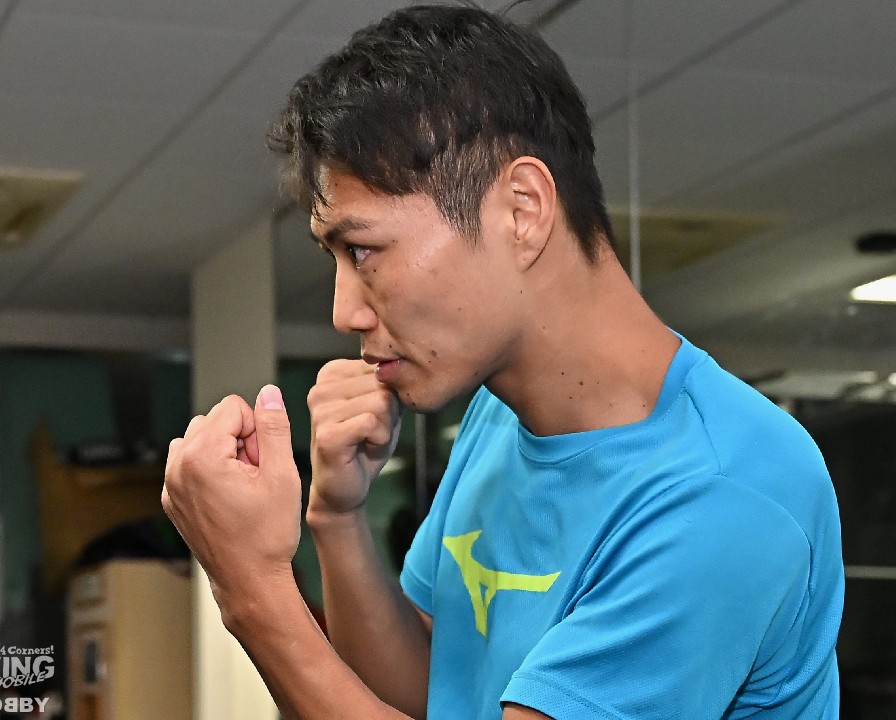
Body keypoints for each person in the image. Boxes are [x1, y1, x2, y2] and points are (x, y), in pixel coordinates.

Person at [161, 4, 845, 719]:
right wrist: (338, 516)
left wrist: (253, 592)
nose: (344, 312)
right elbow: (428, 693)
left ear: (522, 210)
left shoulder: (724, 491)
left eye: (363, 251)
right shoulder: (498, 414)